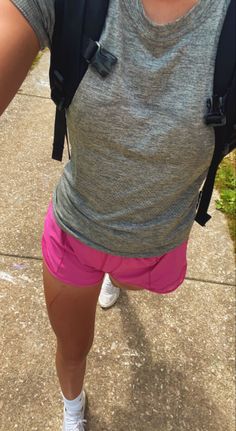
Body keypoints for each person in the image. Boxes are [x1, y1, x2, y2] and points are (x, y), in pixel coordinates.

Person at [0, 0, 231, 429]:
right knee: (73, 347)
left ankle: (116, 276)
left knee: (126, 280)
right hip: (74, 233)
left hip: (155, 247)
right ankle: (73, 408)